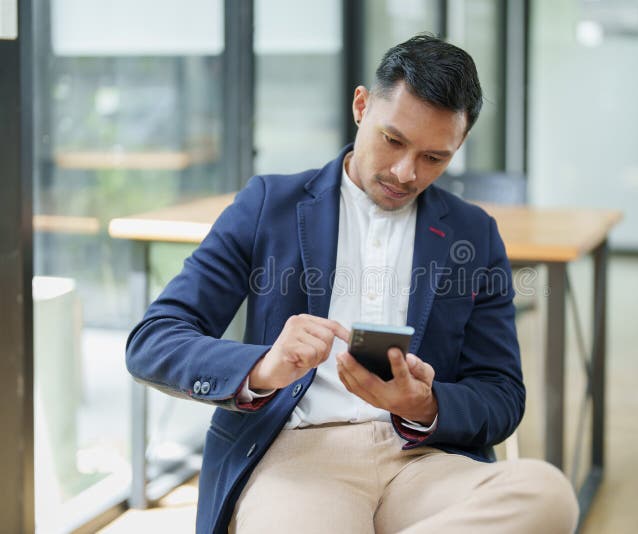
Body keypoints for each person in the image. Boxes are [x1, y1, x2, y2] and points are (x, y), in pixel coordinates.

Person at [126, 34, 578, 534]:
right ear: (361, 106)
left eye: (434, 158)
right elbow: (153, 340)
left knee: (547, 496)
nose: (406, 173)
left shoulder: (473, 234)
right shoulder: (267, 205)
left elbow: (501, 395)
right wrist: (263, 366)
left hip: (423, 459)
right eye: (394, 140)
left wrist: (424, 405)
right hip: (299, 456)